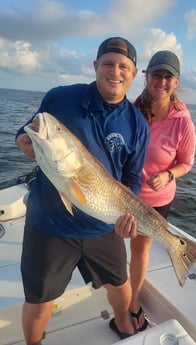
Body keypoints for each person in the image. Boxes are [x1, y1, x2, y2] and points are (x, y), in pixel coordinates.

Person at [15, 37, 150, 344]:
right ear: (95, 66)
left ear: (134, 73)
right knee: (39, 302)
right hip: (50, 224)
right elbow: (30, 129)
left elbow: (132, 180)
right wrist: (21, 141)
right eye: (108, 64)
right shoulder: (60, 98)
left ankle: (122, 323)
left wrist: (129, 219)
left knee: (121, 287)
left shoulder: (137, 124)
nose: (115, 72)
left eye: (123, 67)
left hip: (103, 223)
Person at [128, 50, 196, 331]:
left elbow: (186, 163)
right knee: (116, 241)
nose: (162, 80)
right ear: (146, 76)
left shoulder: (183, 122)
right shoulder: (131, 110)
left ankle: (132, 302)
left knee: (140, 249)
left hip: (157, 200)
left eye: (168, 76)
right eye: (157, 74)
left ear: (176, 82)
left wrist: (168, 174)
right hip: (126, 194)